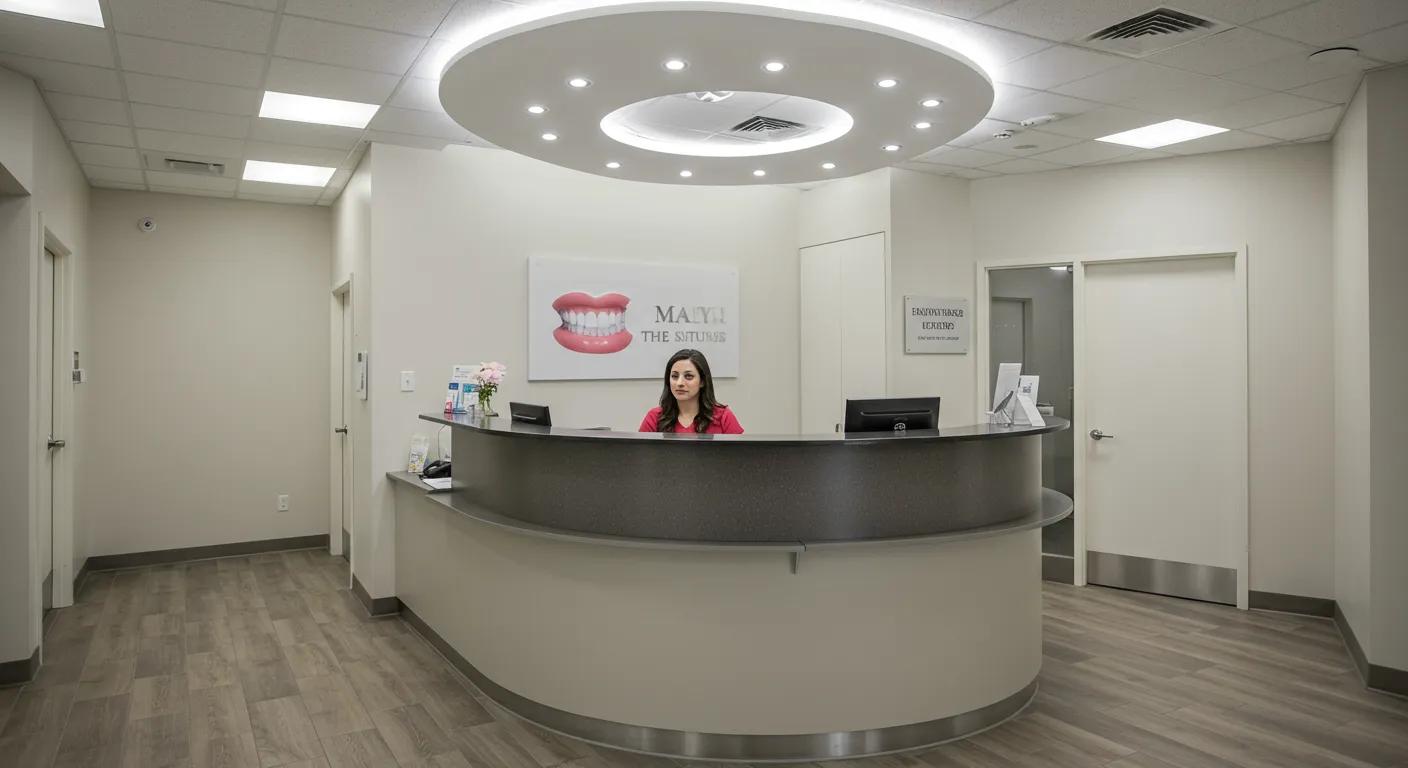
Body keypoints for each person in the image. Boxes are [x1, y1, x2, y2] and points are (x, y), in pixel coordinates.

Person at [638, 349, 744, 434]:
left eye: (688, 376)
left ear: (702, 381)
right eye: (674, 376)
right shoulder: (654, 417)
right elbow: (641, 457)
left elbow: (740, 458)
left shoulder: (723, 417)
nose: (679, 383)